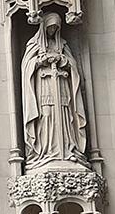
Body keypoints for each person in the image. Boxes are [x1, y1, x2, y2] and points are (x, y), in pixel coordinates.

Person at [20, 12, 88, 169]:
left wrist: (63, 60)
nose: (52, 31)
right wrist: (39, 61)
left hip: (62, 87)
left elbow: (73, 65)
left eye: (55, 28)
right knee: (47, 115)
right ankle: (46, 151)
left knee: (64, 116)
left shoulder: (62, 45)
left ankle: (67, 148)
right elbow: (26, 68)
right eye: (50, 28)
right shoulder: (34, 45)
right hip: (44, 88)